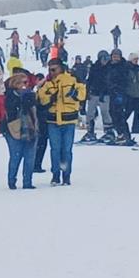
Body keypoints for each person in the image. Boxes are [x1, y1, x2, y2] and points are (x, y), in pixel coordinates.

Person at [37, 58, 87, 186]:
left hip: (69, 120)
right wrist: (50, 98)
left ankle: (66, 175)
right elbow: (41, 97)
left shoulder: (72, 80)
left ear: (61, 68)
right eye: (50, 70)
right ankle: (55, 175)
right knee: (55, 149)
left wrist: (75, 94)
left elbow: (82, 93)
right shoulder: (48, 84)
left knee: (66, 150)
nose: (52, 72)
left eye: (54, 69)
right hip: (53, 121)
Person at [0, 71, 38, 189]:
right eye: (24, 82)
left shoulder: (30, 95)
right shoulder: (10, 96)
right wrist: (24, 100)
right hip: (13, 128)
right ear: (16, 83)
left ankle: (28, 182)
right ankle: (12, 181)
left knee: (29, 157)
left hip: (30, 128)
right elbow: (11, 110)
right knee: (15, 156)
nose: (27, 85)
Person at [104, 49, 136, 145]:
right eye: (114, 56)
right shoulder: (109, 66)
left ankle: (125, 135)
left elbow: (125, 79)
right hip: (112, 93)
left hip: (121, 93)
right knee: (113, 113)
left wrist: (119, 89)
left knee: (119, 115)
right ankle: (120, 134)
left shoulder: (124, 66)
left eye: (117, 56)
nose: (115, 57)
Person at [83, 51, 113, 143]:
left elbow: (109, 82)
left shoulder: (109, 68)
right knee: (90, 113)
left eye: (106, 59)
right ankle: (90, 131)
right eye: (104, 59)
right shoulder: (94, 67)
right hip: (94, 93)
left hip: (105, 94)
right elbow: (90, 80)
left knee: (106, 113)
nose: (105, 61)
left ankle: (108, 131)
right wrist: (87, 93)